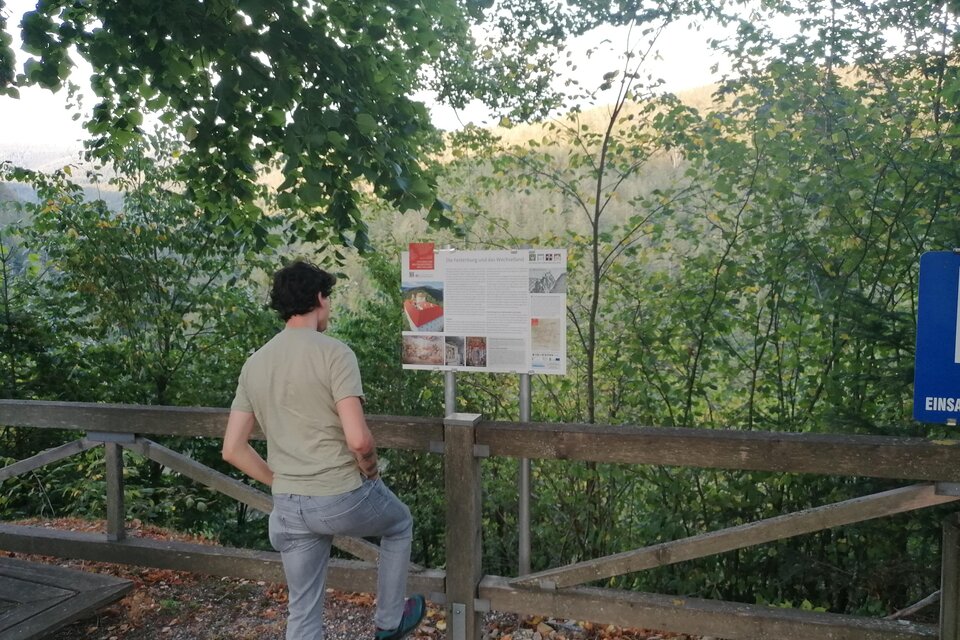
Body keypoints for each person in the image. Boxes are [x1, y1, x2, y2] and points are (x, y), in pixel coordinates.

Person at [222, 260, 426, 640]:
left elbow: (232, 448)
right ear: (318, 297)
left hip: (288, 506)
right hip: (340, 495)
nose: (329, 307)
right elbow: (359, 440)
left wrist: (280, 480)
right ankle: (388, 621)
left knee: (302, 613)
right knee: (399, 524)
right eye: (328, 298)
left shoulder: (255, 364)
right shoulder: (335, 353)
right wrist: (369, 470)